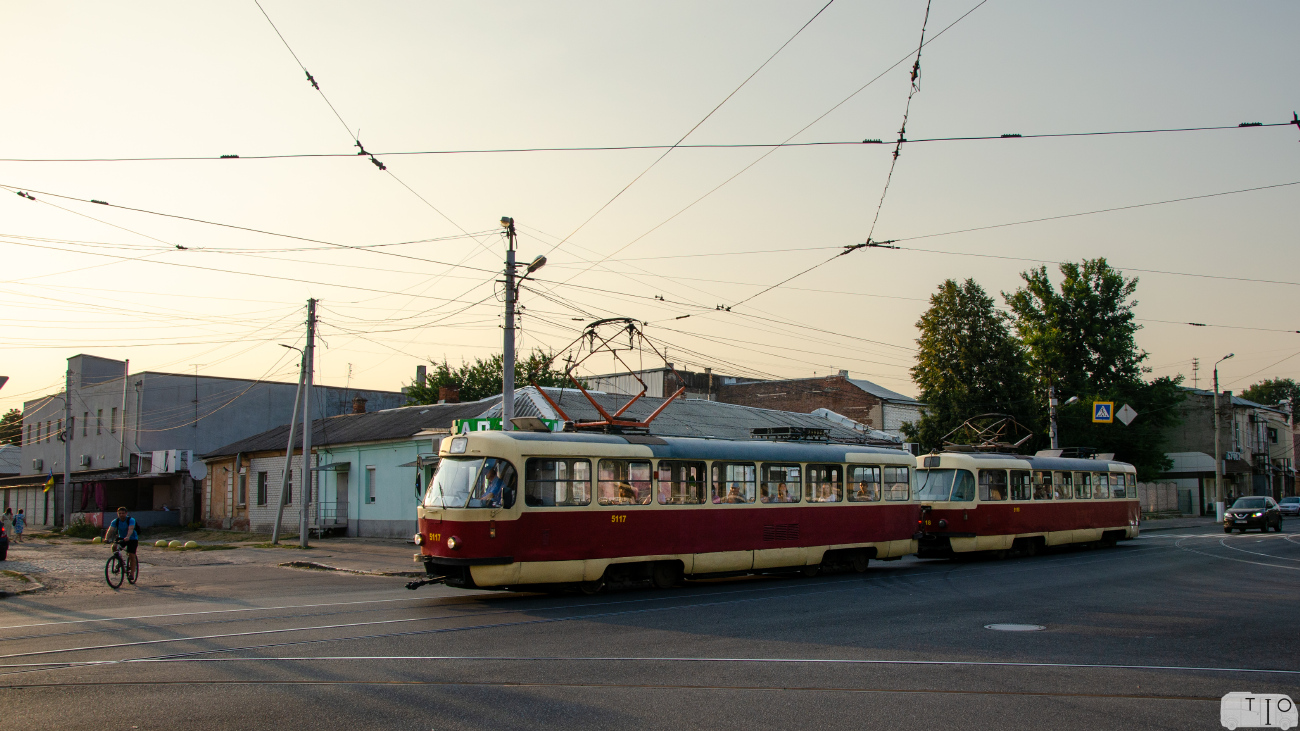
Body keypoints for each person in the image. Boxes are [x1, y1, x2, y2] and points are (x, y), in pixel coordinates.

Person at [105, 507, 139, 579]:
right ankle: (120, 561)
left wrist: (128, 536)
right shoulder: (116, 521)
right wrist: (106, 538)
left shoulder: (131, 520)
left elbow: (131, 529)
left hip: (132, 538)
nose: (121, 515)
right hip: (121, 538)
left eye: (123, 513)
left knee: (131, 555)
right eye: (119, 513)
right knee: (114, 547)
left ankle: (132, 574)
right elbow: (110, 530)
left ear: (126, 513)